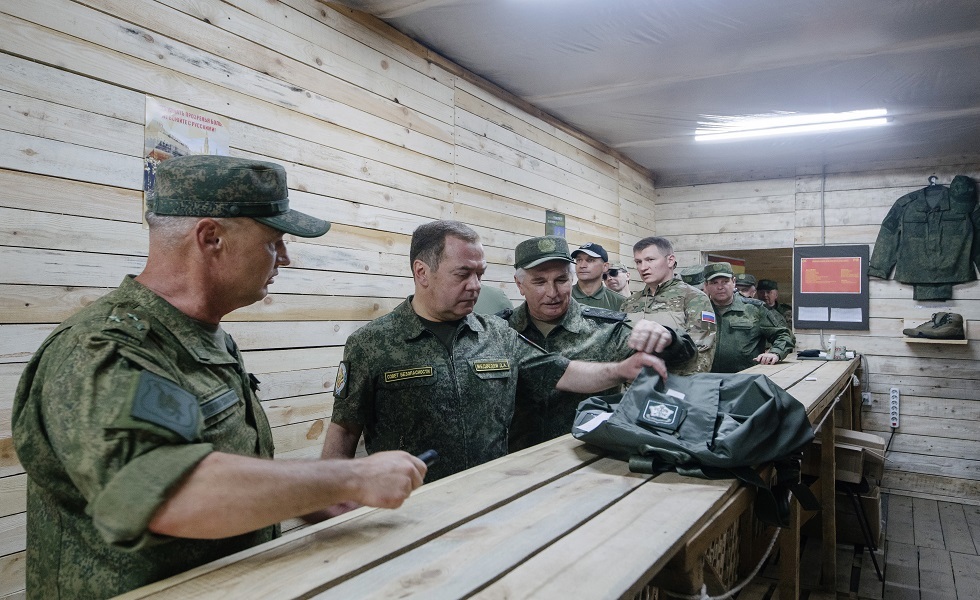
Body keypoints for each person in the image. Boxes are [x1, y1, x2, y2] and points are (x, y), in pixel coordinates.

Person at [11, 155, 428, 599]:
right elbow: (173, 494)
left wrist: (302, 496)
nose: (285, 258)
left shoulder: (201, 337)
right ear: (211, 237)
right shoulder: (104, 351)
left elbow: (205, 459)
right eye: (274, 241)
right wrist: (349, 478)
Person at [321, 221, 671, 485]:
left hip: (490, 497)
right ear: (421, 272)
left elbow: (562, 372)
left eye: (480, 274)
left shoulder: (496, 333)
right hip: (408, 507)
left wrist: (623, 369)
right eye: (463, 274)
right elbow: (343, 436)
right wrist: (333, 503)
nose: (476, 286)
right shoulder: (373, 343)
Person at [502, 236, 696, 450]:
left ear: (571, 279)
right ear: (519, 284)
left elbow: (684, 357)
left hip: (591, 459)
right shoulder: (500, 332)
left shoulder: (605, 327)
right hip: (516, 463)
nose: (552, 293)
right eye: (539, 282)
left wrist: (668, 338)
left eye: (561, 280)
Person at [621, 236, 717, 375]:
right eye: (638, 262)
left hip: (675, 388)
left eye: (650, 260)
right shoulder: (629, 303)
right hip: (633, 388)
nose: (643, 267)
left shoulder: (694, 299)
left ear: (670, 260)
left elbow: (702, 354)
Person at [703, 263, 795, 373]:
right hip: (706, 378)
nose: (720, 287)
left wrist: (775, 352)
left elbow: (784, 335)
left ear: (734, 282)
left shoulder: (755, 308)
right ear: (706, 285)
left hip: (746, 377)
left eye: (725, 282)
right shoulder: (698, 309)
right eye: (714, 283)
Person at [570, 242, 626, 310]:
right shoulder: (563, 296)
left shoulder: (620, 302)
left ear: (605, 266)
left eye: (590, 260)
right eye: (579, 260)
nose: (582, 265)